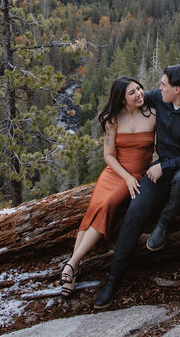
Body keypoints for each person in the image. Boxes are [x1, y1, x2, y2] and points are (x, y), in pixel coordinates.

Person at [93, 64, 180, 309]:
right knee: (134, 214)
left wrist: (166, 165)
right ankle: (112, 281)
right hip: (160, 170)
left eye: (163, 84)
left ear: (177, 89)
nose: (157, 88)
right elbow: (129, 99)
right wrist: (110, 118)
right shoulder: (160, 99)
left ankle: (164, 223)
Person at [59, 76, 156, 297]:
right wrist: (127, 177)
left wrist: (139, 176)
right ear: (122, 99)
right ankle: (73, 268)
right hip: (116, 172)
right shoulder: (112, 119)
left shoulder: (153, 114)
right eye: (132, 93)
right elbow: (108, 156)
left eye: (139, 89)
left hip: (139, 172)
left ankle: (72, 264)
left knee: (109, 204)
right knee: (95, 206)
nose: (139, 94)